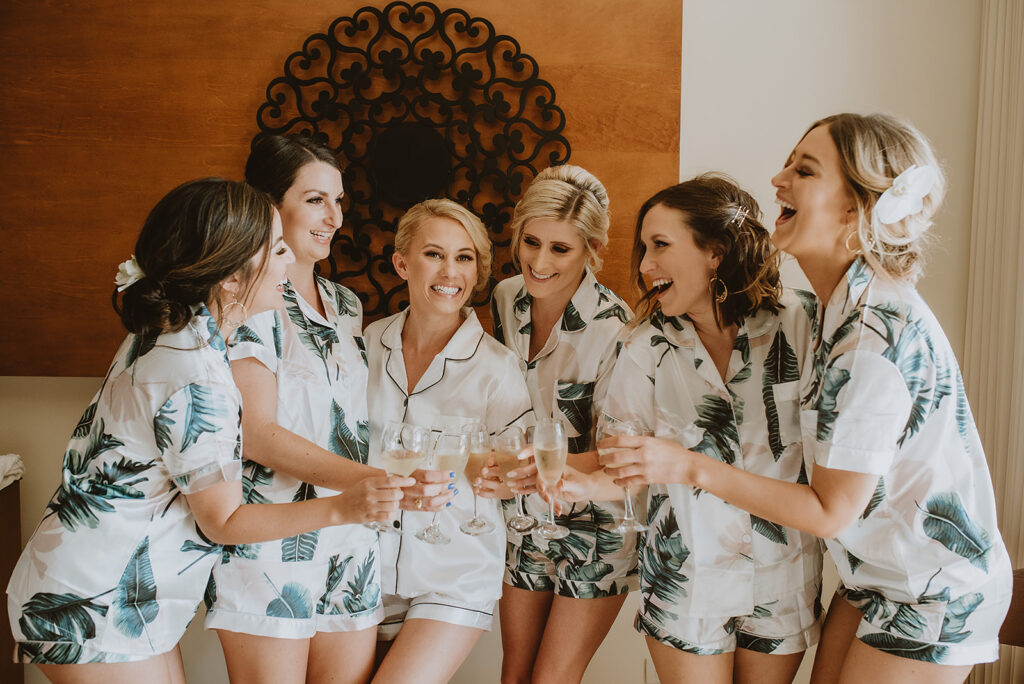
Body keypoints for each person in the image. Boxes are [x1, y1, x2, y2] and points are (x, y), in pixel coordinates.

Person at [602, 114, 1012, 683]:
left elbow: (828, 511)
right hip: (868, 577)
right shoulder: (835, 314)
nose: (778, 178)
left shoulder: (869, 339)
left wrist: (688, 465)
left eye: (805, 169)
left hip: (928, 589)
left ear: (856, 209)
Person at [6, 178, 410, 684]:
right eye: (277, 250)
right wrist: (341, 507)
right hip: (95, 599)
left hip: (117, 593)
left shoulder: (180, 331)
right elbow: (224, 520)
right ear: (231, 281)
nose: (289, 263)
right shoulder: (195, 371)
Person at [204, 135, 453, 684]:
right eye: (315, 199)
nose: (334, 217)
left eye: (338, 201)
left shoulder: (346, 305)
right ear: (270, 206)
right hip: (272, 540)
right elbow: (258, 433)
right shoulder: (249, 300)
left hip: (351, 540)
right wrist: (379, 483)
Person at [588, 174, 823, 683]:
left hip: (782, 575)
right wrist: (560, 481)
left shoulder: (802, 322)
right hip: (685, 582)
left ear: (715, 253)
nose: (645, 264)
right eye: (644, 247)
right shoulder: (643, 345)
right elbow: (621, 466)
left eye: (661, 245)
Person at [364, 198, 533, 683]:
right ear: (401, 263)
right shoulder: (365, 344)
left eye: (465, 258)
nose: (450, 271)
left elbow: (514, 472)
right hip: (360, 568)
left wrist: (504, 476)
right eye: (434, 254)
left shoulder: (497, 368)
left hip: (453, 574)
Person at [487, 164, 636, 684]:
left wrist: (540, 467)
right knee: (515, 672)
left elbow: (619, 455)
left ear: (592, 250)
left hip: (593, 526)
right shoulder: (505, 298)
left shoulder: (616, 329)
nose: (540, 261)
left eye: (561, 249)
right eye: (532, 242)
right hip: (524, 518)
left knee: (552, 678)